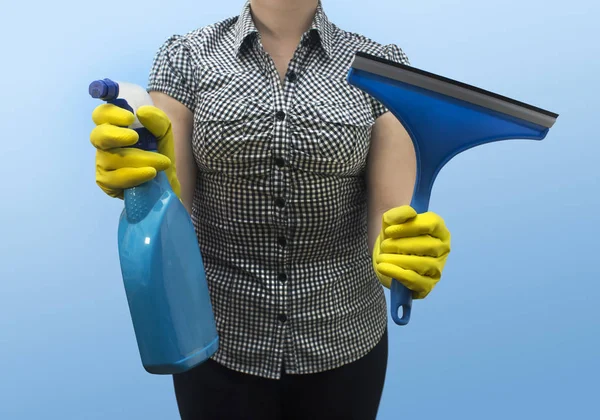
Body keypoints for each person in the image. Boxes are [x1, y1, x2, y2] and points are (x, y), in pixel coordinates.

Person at [89, 0, 451, 418]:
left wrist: (405, 248)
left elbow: (390, 212)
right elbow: (173, 208)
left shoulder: (383, 68)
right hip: (216, 342)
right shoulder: (185, 57)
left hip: (345, 338)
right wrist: (141, 180)